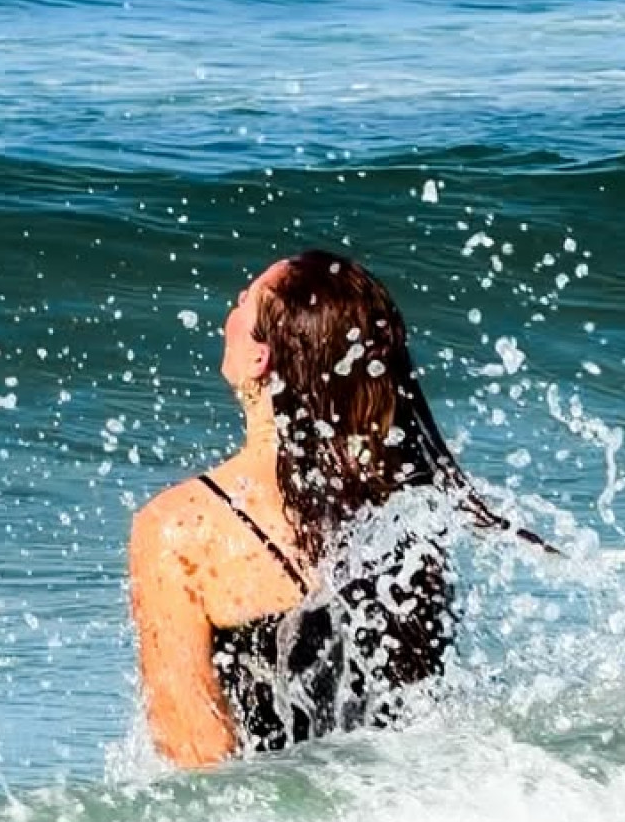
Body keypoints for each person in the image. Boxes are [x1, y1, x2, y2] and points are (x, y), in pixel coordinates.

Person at [129, 249, 502, 768]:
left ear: (261, 358)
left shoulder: (182, 527)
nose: (230, 311)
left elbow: (193, 760)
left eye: (244, 301)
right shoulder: (403, 503)